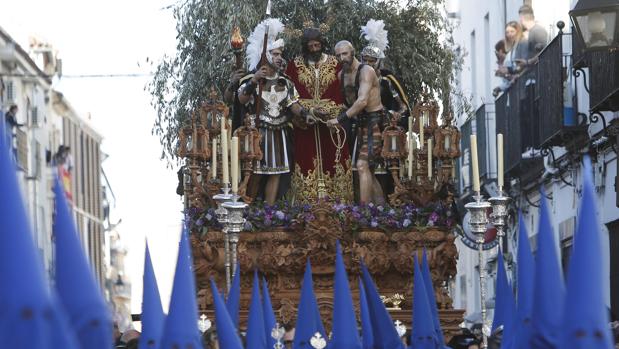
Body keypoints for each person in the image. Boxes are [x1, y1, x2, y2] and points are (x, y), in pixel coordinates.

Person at [238, 18, 311, 205]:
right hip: (259, 132)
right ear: (266, 55)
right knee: (255, 173)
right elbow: (241, 99)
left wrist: (305, 113)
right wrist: (254, 80)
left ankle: (268, 212)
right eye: (275, 53)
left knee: (277, 172)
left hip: (279, 132)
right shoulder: (253, 79)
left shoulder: (285, 82)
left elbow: (292, 104)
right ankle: (250, 207)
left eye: (281, 54)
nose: (279, 57)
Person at [285, 27, 349, 180]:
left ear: (322, 44)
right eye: (310, 46)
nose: (314, 49)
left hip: (330, 122)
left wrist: (330, 111)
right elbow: (288, 94)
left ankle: (336, 198)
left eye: (317, 45)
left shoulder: (335, 63)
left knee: (333, 157)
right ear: (305, 46)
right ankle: (306, 199)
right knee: (305, 157)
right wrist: (308, 111)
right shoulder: (294, 65)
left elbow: (342, 93)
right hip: (304, 120)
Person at [327, 40, 385, 205]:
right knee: (367, 172)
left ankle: (364, 212)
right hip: (359, 122)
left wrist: (339, 119)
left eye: (345, 54)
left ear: (352, 52)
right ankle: (380, 210)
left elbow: (362, 102)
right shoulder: (341, 75)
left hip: (374, 121)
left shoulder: (366, 71)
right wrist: (331, 116)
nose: (341, 58)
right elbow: (348, 104)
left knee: (362, 165)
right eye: (338, 55)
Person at [359, 19, 410, 199]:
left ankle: (382, 211)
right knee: (364, 169)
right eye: (366, 60)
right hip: (363, 128)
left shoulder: (388, 80)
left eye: (373, 61)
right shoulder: (358, 78)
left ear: (379, 62)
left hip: (386, 131)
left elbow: (404, 108)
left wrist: (389, 115)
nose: (369, 64)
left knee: (384, 173)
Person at [496, 21, 527, 91]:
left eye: (512, 31)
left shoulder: (522, 43)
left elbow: (524, 64)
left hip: (526, 82)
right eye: (507, 32)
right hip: (518, 86)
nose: (509, 34)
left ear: (517, 32)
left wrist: (510, 72)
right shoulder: (512, 49)